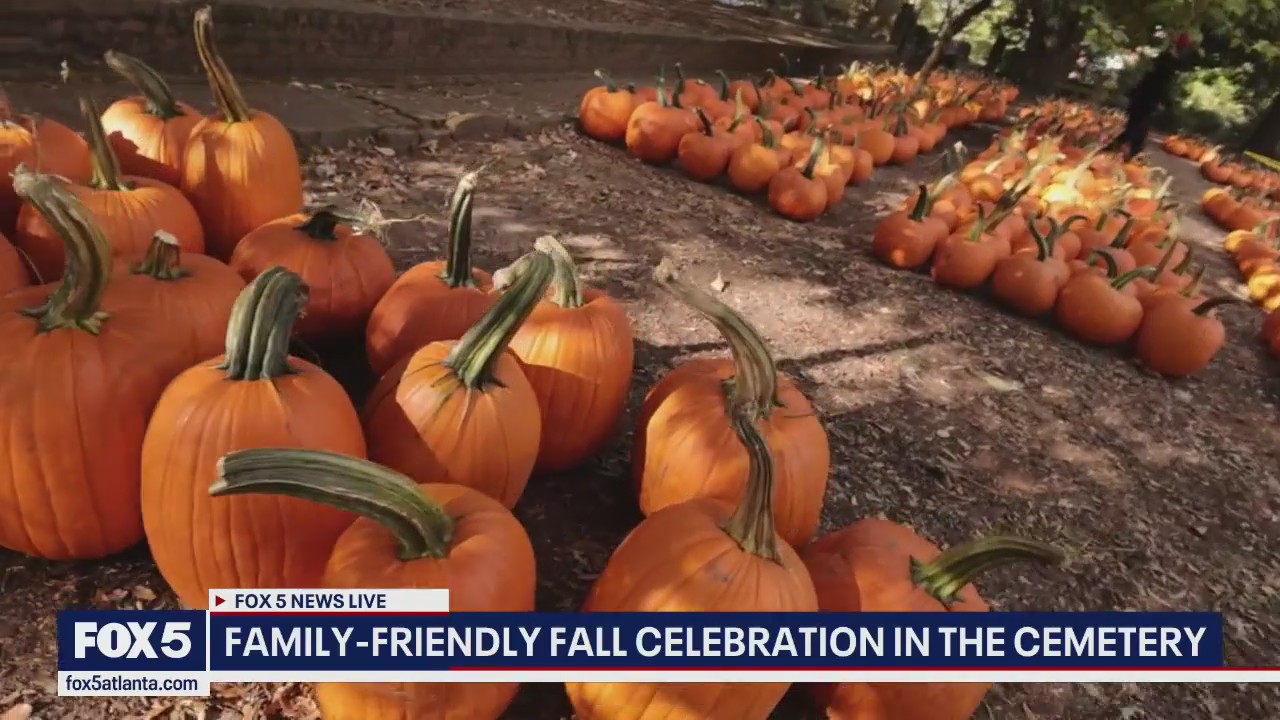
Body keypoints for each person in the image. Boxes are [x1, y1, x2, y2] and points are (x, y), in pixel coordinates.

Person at [1106, 33, 1194, 159]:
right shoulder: (1168, 62)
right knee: (1138, 126)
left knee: (1136, 125)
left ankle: (1121, 149)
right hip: (1147, 97)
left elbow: (1157, 81)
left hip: (1145, 95)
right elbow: (1162, 83)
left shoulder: (1165, 60)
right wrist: (1168, 102)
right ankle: (1132, 152)